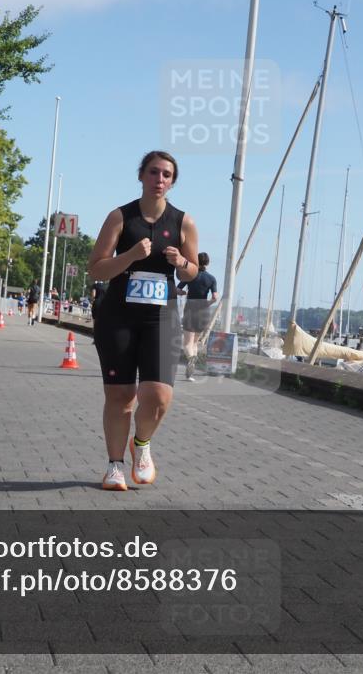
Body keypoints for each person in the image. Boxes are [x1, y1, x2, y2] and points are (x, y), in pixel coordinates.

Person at [87, 151, 199, 491]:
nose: (160, 180)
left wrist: (181, 261)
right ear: (141, 176)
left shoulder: (184, 223)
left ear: (173, 181)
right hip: (118, 315)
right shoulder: (120, 218)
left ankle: (143, 444)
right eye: (154, 172)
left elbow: (193, 272)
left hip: (161, 317)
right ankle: (115, 466)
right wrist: (131, 255)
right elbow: (96, 268)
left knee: (160, 396)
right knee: (121, 396)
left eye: (167, 175)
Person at [176, 252, 218, 381]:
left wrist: (183, 292)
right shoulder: (211, 278)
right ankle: (190, 374)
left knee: (187, 343)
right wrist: (207, 303)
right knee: (195, 342)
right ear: (208, 263)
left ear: (196, 261)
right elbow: (215, 297)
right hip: (203, 310)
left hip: (190, 308)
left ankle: (191, 359)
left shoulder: (190, 274)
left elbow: (177, 289)